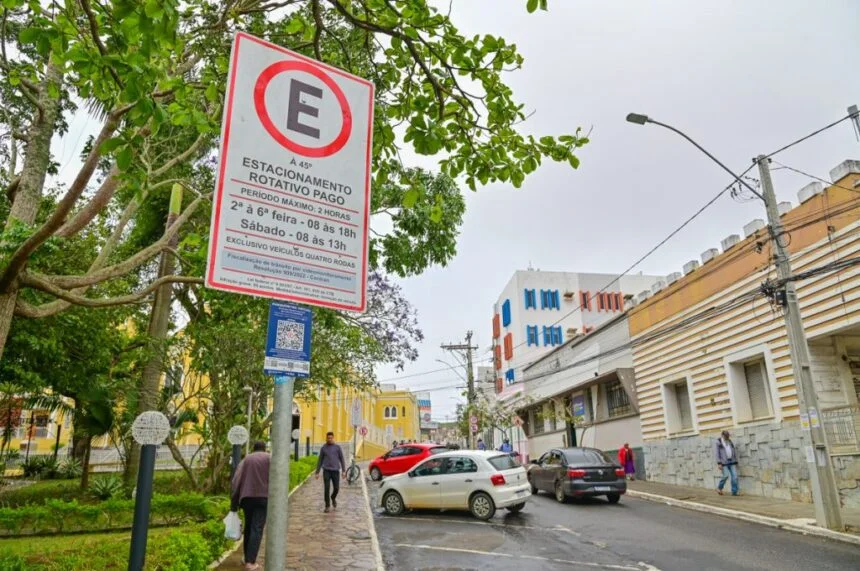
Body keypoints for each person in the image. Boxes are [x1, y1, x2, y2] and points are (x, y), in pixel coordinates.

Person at [231, 441, 270, 571]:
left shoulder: (246, 459)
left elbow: (236, 478)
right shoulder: (269, 458)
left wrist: (234, 500)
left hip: (246, 498)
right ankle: (250, 562)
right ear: (264, 449)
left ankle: (246, 557)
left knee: (248, 527)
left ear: (254, 448)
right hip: (263, 497)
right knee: (257, 528)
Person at [315, 431, 346, 513]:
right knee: (326, 488)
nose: (329, 439)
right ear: (326, 438)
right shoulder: (323, 448)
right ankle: (327, 506)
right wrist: (317, 472)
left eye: (331, 438)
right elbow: (320, 460)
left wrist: (343, 470)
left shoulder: (337, 448)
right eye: (328, 438)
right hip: (326, 471)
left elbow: (342, 459)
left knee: (336, 488)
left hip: (335, 471)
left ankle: (333, 497)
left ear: (333, 438)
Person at [714, 430, 739, 496]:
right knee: (725, 476)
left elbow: (733, 450)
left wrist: (735, 460)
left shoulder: (730, 441)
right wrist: (719, 463)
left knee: (735, 477)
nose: (727, 438)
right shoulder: (718, 442)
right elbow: (717, 453)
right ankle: (719, 488)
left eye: (728, 436)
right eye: (726, 437)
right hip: (724, 462)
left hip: (732, 461)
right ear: (722, 435)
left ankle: (734, 492)